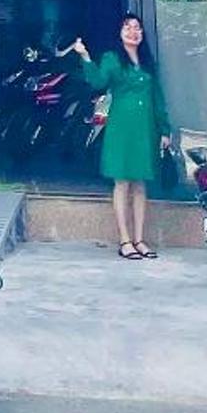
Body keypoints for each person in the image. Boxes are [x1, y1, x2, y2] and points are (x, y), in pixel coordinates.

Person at [69, 15, 172, 259]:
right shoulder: (112, 58)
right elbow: (98, 81)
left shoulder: (147, 62)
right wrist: (85, 56)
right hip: (121, 128)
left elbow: (157, 98)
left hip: (145, 128)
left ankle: (140, 240)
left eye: (137, 28)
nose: (133, 32)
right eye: (127, 27)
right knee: (122, 182)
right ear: (120, 32)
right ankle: (125, 241)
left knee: (140, 183)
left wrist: (164, 129)